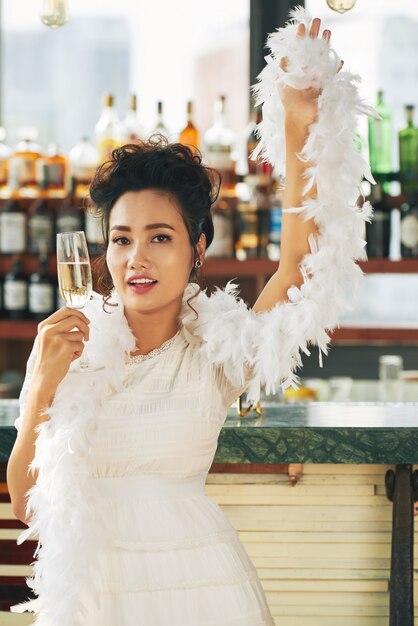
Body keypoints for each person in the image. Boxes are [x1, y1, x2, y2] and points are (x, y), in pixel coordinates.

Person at [7, 15, 364, 626]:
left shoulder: (214, 348)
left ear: (198, 249)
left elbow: (300, 264)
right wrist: (40, 386)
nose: (136, 258)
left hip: (199, 589)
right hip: (91, 595)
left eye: (159, 237)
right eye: (121, 239)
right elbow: (23, 503)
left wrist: (300, 124)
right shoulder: (67, 348)